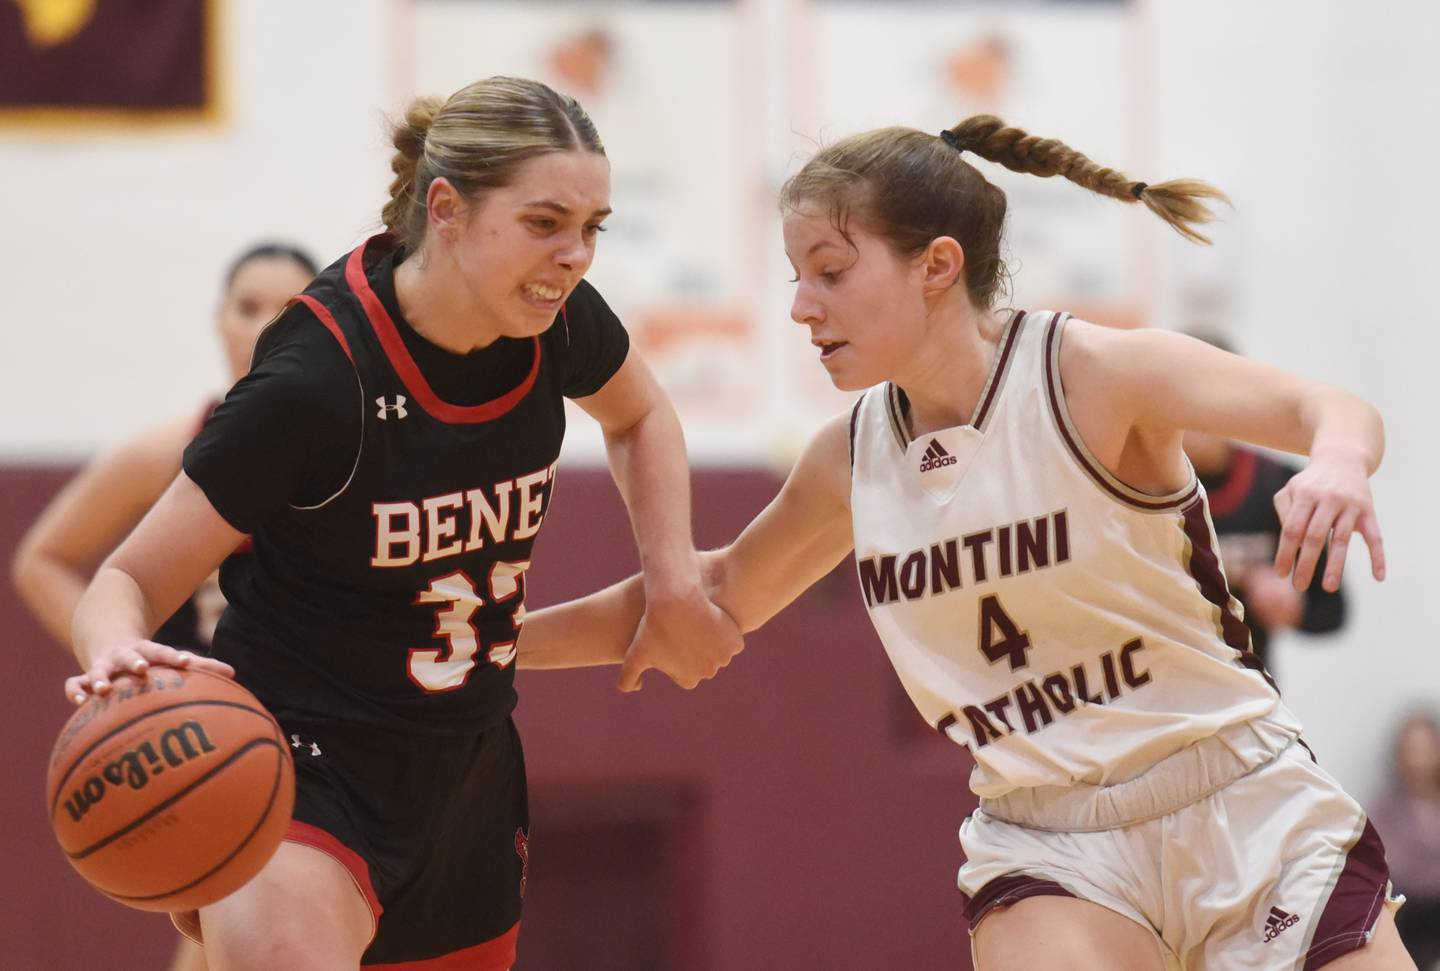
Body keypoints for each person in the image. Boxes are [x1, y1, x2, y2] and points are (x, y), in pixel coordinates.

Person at [520, 115, 1415, 969]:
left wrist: (1335, 461)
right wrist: (488, 642)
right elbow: (704, 604)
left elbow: (1331, 408)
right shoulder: (851, 457)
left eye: (829, 271)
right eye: (795, 275)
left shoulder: (1091, 376)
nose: (800, 306)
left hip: (1236, 794)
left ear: (937, 265)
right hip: (1048, 839)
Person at [63, 75, 742, 971]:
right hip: (299, 766)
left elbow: (642, 416)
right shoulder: (316, 380)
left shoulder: (555, 320)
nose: (575, 255)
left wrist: (672, 577)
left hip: (469, 772)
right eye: (545, 223)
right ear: (448, 209)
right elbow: (124, 579)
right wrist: (117, 656)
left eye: (592, 228)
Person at [13, 241, 316, 971]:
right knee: (224, 926)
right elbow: (42, 561)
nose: (263, 326)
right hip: (225, 735)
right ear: (219, 322)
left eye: (287, 311)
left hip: (330, 727)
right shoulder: (169, 449)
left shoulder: (352, 446)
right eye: (248, 308)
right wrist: (129, 667)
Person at [1181, 333, 1347, 679]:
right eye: (1185, 393)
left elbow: (1332, 610)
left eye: (1211, 391)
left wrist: (1293, 606)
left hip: (1251, 692)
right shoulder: (1135, 488)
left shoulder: (1280, 485)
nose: (1197, 410)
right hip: (1160, 696)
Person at [1369, 709, 1440, 969]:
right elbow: (1395, 869)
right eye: (1410, 750)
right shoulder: (1386, 811)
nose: (1417, 759)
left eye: (1424, 749)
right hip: (1413, 924)